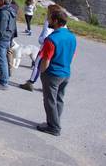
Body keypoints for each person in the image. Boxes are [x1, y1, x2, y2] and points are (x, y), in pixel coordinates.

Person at [37, 9, 77, 137]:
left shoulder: (52, 39)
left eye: (49, 18)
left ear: (55, 21)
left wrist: (41, 71)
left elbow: (46, 60)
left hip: (52, 74)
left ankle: (54, 127)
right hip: (65, 72)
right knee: (59, 99)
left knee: (49, 101)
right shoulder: (72, 36)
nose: (48, 20)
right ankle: (54, 122)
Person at [21, 4, 63, 92]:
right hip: (56, 46)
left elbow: (45, 35)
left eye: (48, 11)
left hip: (46, 46)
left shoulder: (49, 21)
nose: (46, 12)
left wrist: (41, 39)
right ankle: (49, 86)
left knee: (37, 65)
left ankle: (30, 83)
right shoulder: (61, 22)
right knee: (49, 66)